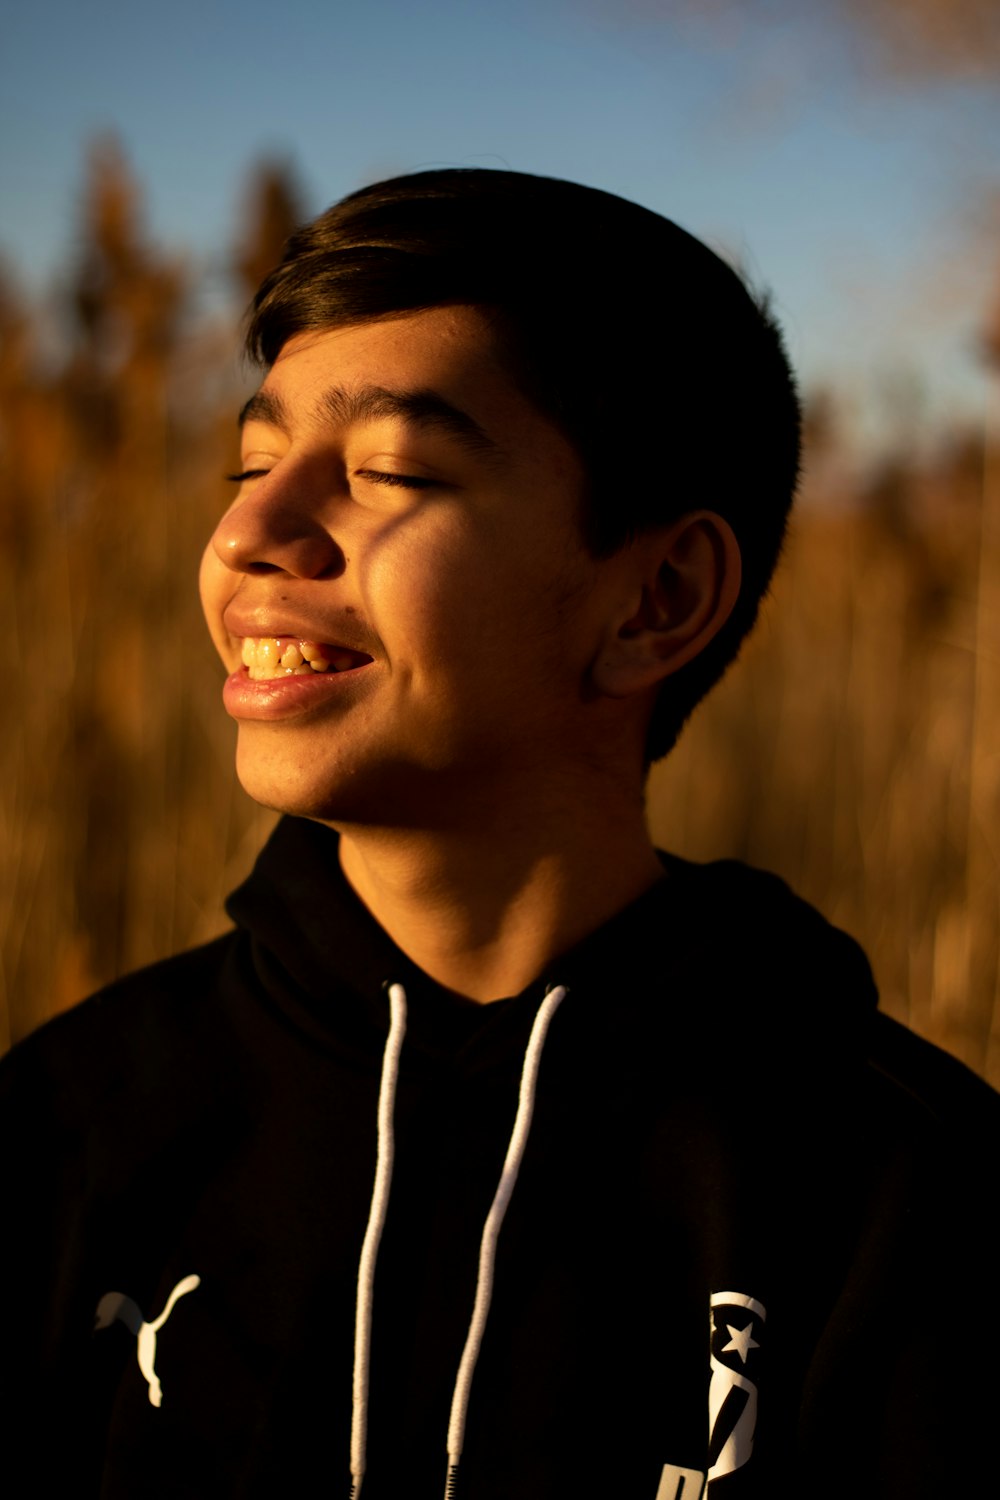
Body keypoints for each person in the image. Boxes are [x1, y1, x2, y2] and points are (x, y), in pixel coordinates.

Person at [2, 168, 996, 1500]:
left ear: (658, 597)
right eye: (250, 463)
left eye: (391, 471)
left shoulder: (903, 1198)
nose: (248, 532)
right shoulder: (66, 1126)